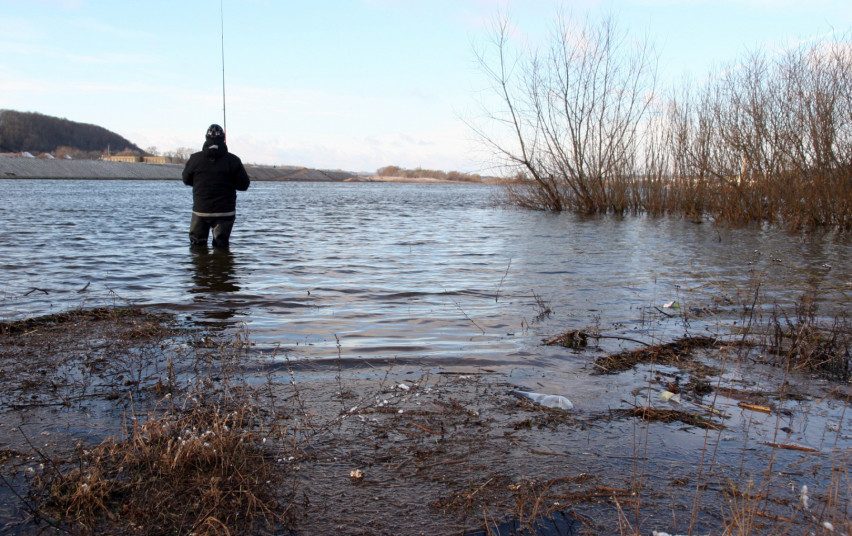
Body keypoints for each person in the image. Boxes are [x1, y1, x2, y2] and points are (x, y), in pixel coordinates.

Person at [182, 124, 250, 248]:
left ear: (206, 137)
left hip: (201, 211)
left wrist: (199, 183)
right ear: (223, 138)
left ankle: (199, 266)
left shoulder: (195, 159)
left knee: (197, 247)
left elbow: (186, 180)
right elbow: (244, 185)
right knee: (221, 246)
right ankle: (223, 266)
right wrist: (228, 183)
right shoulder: (233, 160)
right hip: (225, 212)